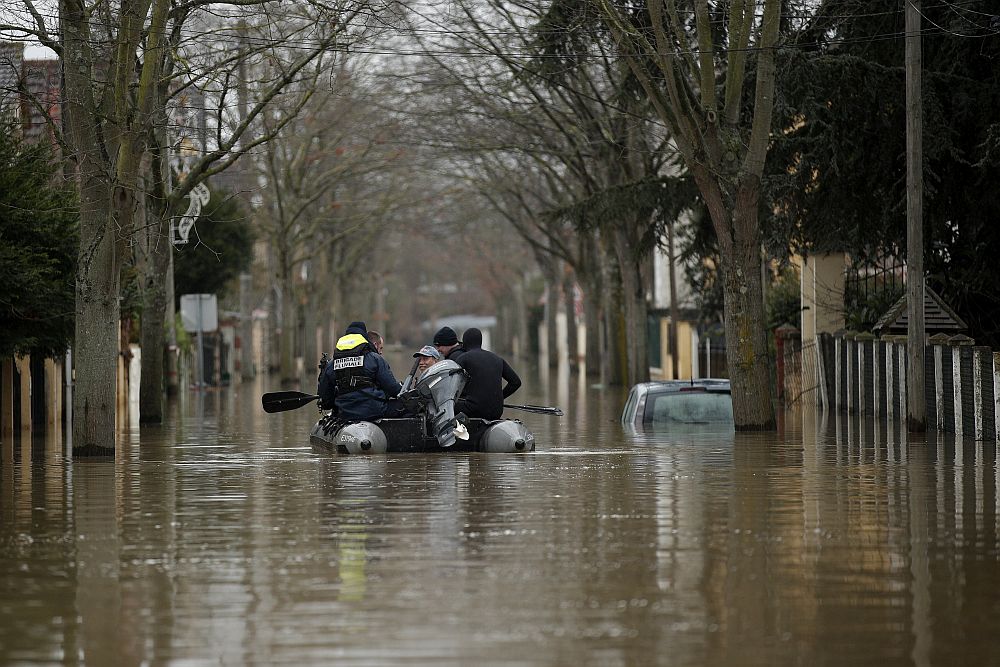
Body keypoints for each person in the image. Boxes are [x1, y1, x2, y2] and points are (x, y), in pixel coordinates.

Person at [317, 320, 402, 421]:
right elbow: (393, 389)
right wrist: (403, 389)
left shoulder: (332, 364)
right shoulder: (375, 359)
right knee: (407, 407)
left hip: (343, 413)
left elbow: (326, 401)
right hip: (373, 411)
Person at [454, 327, 521, 420]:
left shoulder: (463, 358)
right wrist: (500, 398)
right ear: (480, 342)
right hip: (497, 411)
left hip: (474, 410)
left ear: (464, 343)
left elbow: (452, 385)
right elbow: (516, 382)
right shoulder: (498, 359)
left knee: (448, 406)